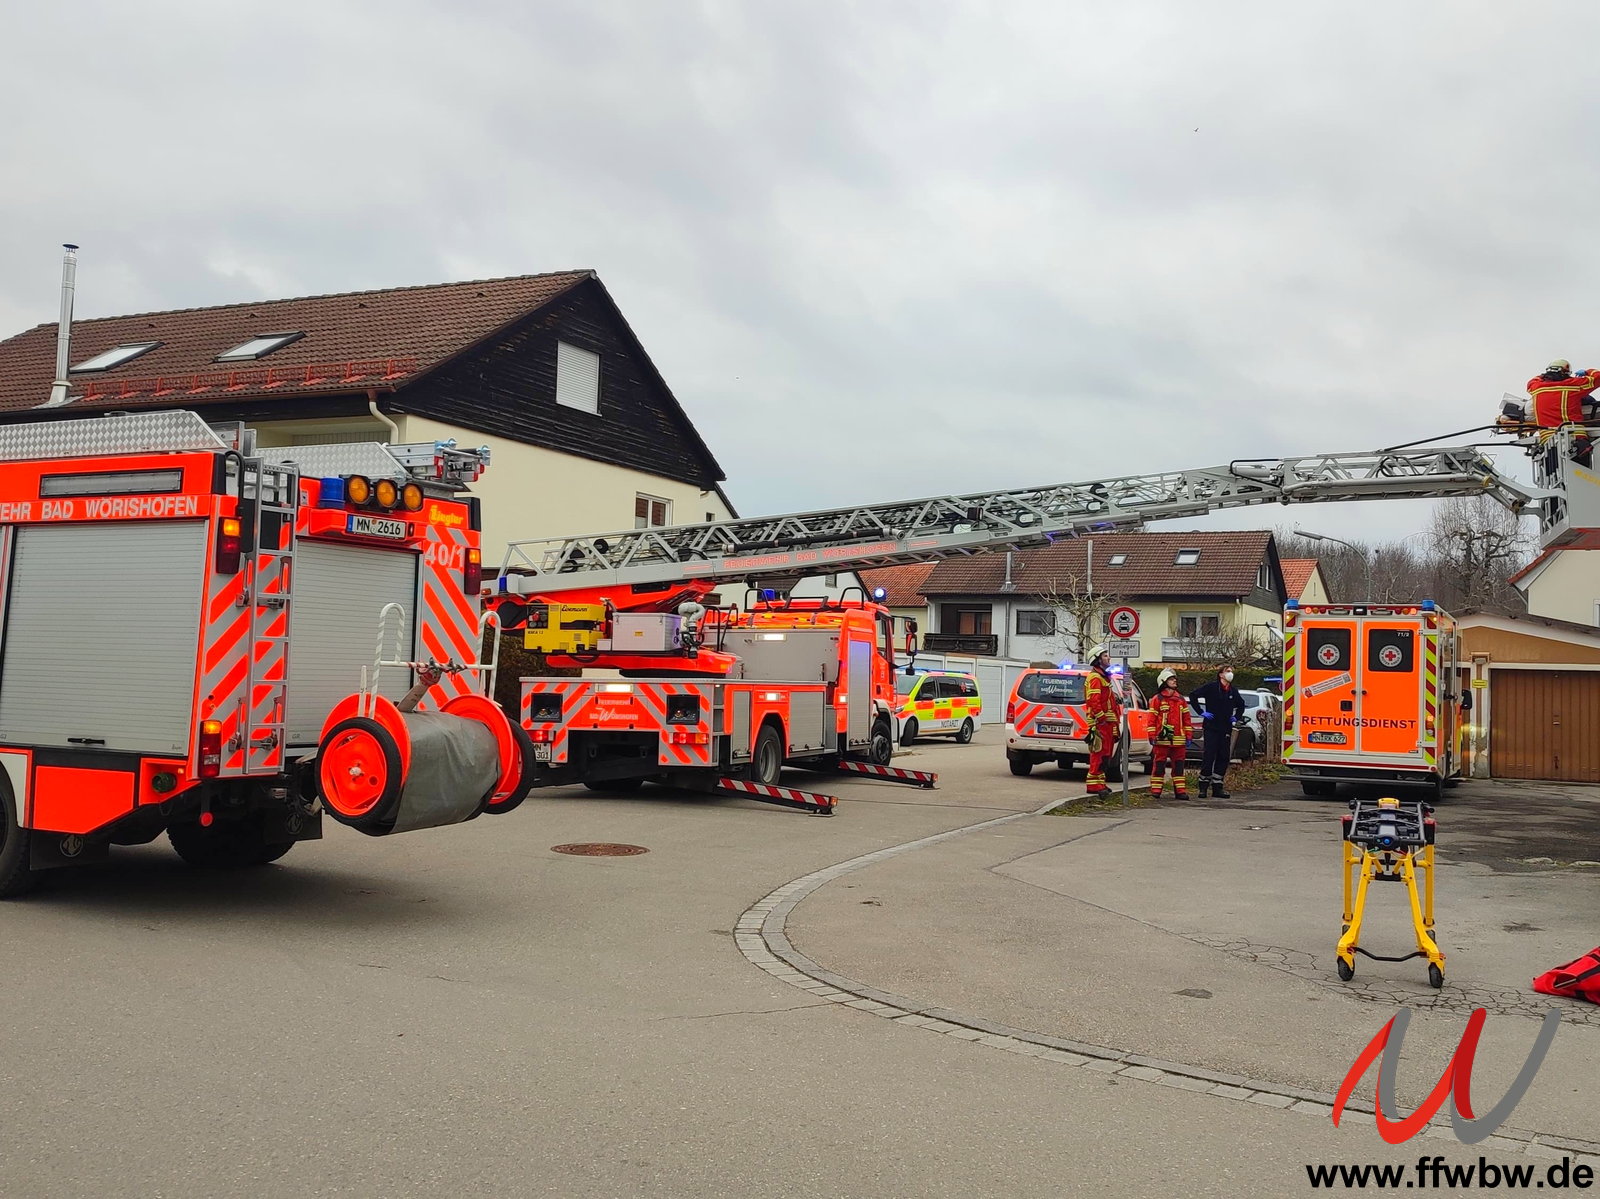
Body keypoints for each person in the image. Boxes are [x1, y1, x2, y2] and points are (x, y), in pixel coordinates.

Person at [1527, 360, 1600, 465]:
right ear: (1565, 373)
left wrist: (1545, 375)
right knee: (1580, 472)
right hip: (1576, 439)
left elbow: (1532, 381)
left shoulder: (1536, 387)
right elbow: (1597, 376)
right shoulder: (1572, 386)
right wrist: (1587, 372)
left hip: (1548, 443)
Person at [1189, 664, 1245, 798]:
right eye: (1227, 671)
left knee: (1223, 756)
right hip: (1211, 727)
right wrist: (1201, 712)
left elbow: (1241, 705)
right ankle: (1203, 787)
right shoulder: (1211, 687)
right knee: (1209, 755)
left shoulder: (1232, 691)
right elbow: (1193, 695)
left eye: (1231, 671)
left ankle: (1217, 787)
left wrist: (1236, 717)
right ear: (1220, 674)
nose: (1230, 673)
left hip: (1225, 728)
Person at [1146, 669, 1193, 799]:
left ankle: (1180, 791)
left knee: (1179, 766)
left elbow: (1187, 719)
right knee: (1159, 766)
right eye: (1171, 679)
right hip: (1162, 740)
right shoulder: (1157, 699)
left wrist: (1189, 735)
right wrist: (1151, 735)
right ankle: (1156, 790)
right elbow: (1151, 719)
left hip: (1179, 740)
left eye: (1174, 679)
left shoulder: (1180, 699)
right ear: (1164, 682)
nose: (1174, 681)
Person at [1083, 644, 1123, 796]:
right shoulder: (1095, 677)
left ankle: (1100, 783)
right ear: (1098, 660)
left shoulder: (1103, 677)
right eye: (1105, 656)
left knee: (1105, 755)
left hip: (1107, 723)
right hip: (1101, 723)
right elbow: (1094, 700)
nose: (1109, 658)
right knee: (1099, 754)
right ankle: (1094, 785)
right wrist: (1102, 718)